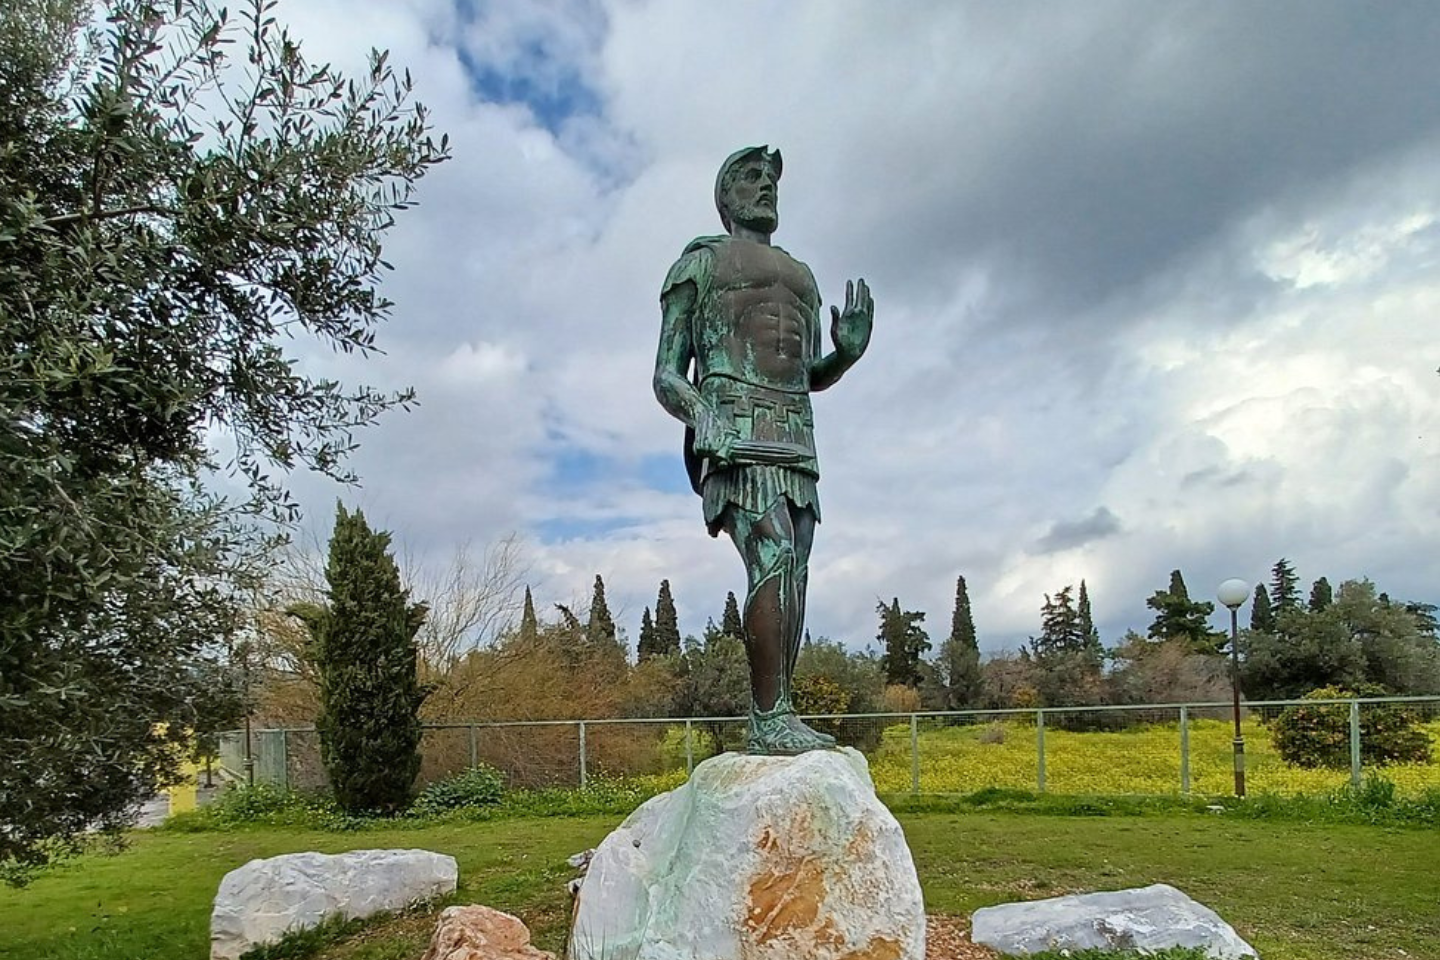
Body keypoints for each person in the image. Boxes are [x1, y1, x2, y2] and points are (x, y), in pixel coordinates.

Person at [653, 145, 873, 755]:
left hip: (794, 434)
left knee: (796, 571)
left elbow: (806, 375)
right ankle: (769, 717)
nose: (766, 185)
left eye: (773, 177)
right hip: (732, 427)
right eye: (752, 176)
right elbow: (667, 374)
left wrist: (845, 356)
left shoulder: (802, 275)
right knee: (773, 556)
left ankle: (779, 712)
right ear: (726, 195)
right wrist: (701, 416)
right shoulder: (698, 264)